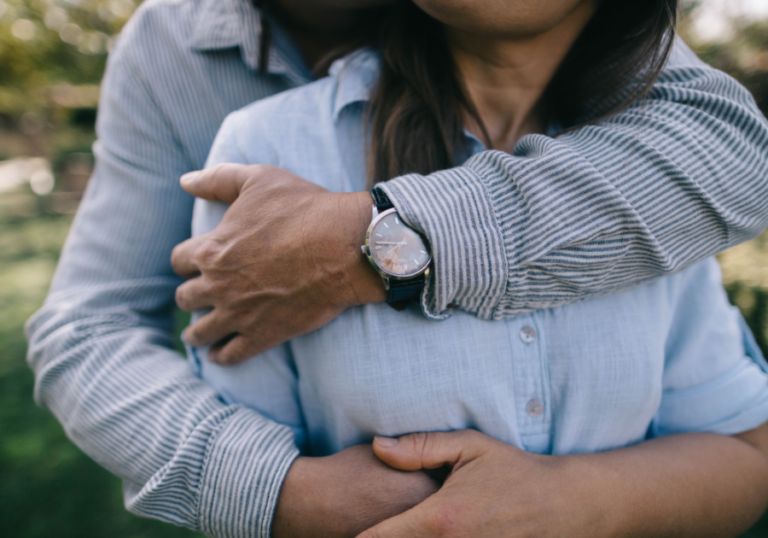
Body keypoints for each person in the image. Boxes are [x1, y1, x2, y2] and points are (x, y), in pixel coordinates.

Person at [24, 0, 768, 536]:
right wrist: (281, 495)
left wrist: (371, 243)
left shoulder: (599, 93)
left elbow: (730, 151)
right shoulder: (199, 76)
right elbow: (91, 326)